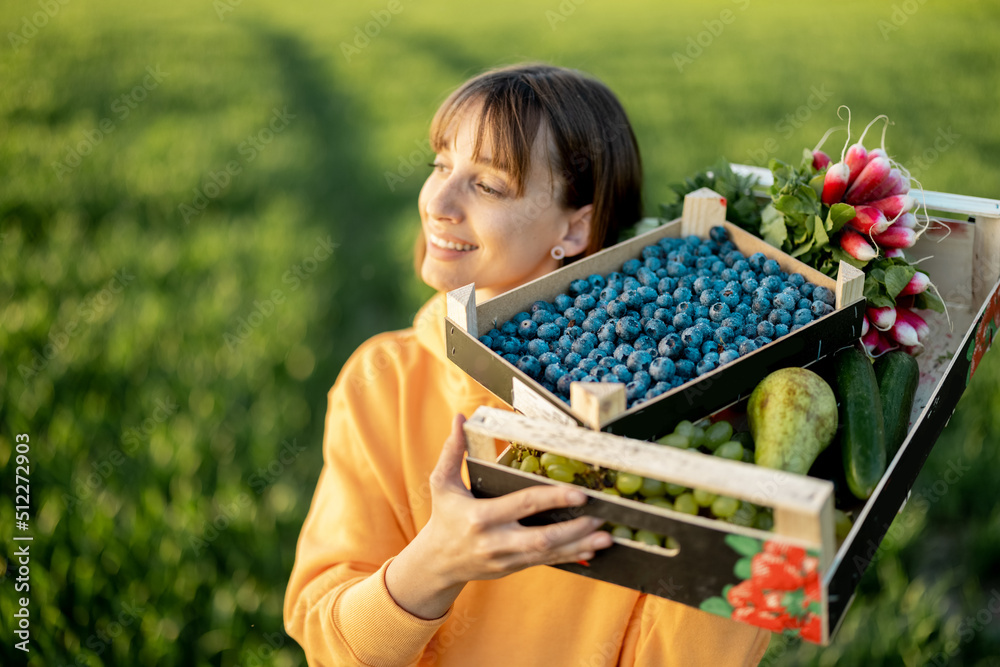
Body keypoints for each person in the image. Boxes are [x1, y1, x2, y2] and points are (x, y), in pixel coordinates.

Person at [284, 63, 770, 666]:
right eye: (440, 165)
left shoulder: (662, 420)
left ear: (575, 226)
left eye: (487, 185)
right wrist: (433, 566)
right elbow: (327, 642)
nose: (437, 202)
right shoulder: (381, 381)